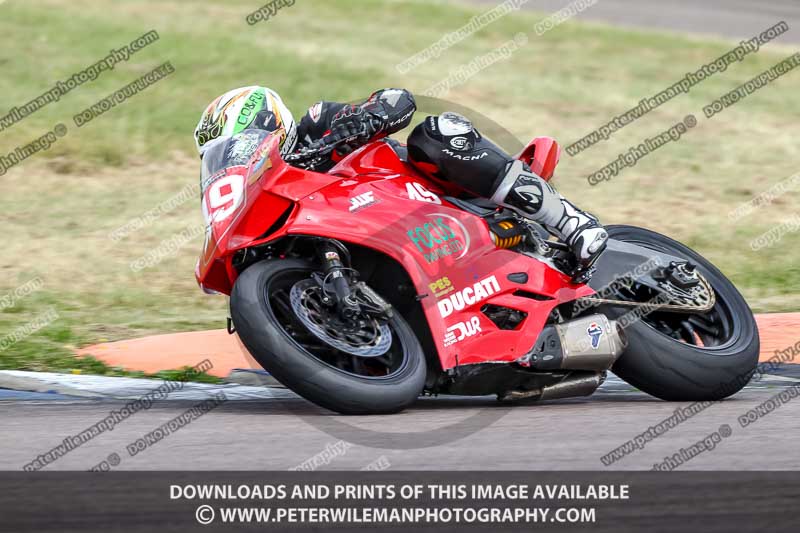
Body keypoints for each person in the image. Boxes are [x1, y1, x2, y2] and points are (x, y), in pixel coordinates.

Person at [193, 86, 607, 272]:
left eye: (242, 143)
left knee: (437, 133)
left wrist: (360, 124)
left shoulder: (317, 124)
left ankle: (568, 219)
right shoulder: (265, 198)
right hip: (388, 245)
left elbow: (397, 100)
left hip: (431, 198)